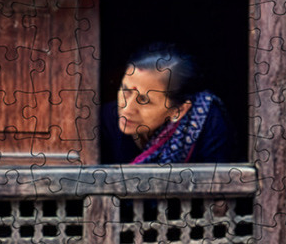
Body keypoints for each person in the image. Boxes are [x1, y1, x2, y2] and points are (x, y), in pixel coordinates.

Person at [100, 44, 236, 164]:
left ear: (179, 111)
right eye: (126, 90)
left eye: (144, 100)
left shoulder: (206, 121)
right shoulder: (104, 120)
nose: (127, 108)